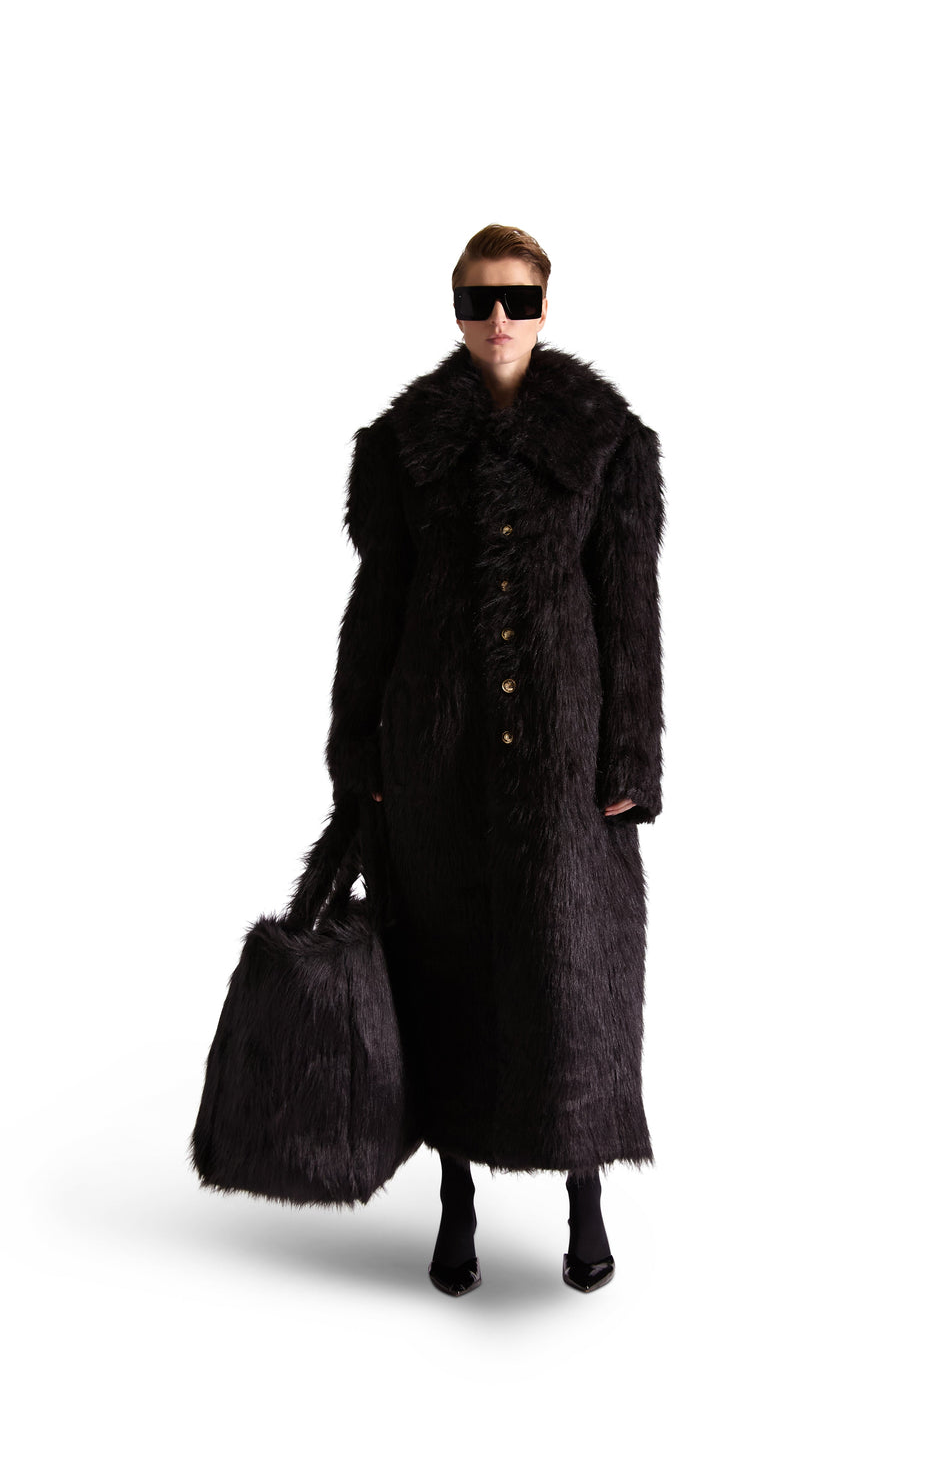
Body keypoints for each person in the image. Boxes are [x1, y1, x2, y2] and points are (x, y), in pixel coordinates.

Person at [326, 223, 665, 1295]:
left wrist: (630, 756)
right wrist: (356, 751)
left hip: (566, 757)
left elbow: (629, 613)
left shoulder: (607, 441)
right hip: (434, 751)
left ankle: (584, 1190)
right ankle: (456, 1197)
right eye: (479, 300)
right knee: (445, 970)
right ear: (457, 309)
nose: (499, 319)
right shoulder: (402, 445)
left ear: (545, 306)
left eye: (517, 299)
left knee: (575, 970)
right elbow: (375, 609)